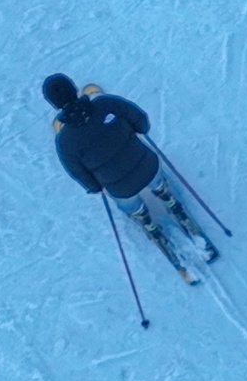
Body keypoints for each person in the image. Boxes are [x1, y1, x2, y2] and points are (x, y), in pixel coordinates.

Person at [42, 75, 218, 268]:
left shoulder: (64, 141)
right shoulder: (107, 104)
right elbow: (141, 122)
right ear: (74, 88)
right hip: (147, 167)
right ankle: (165, 194)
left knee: (127, 201)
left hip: (121, 188)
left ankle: (142, 217)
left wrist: (95, 187)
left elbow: (78, 173)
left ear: (54, 104)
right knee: (156, 178)